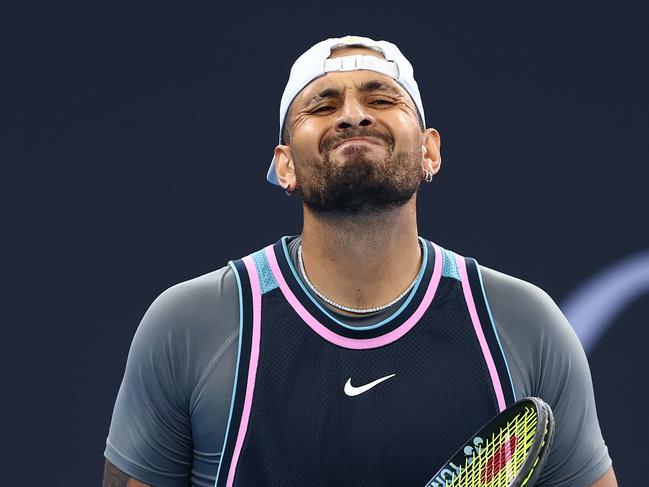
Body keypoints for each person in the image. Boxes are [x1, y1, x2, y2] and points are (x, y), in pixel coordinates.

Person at [103, 35, 617, 487]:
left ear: (429, 153)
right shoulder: (189, 325)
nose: (353, 114)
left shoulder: (526, 326)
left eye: (381, 98)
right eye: (323, 106)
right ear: (284, 166)